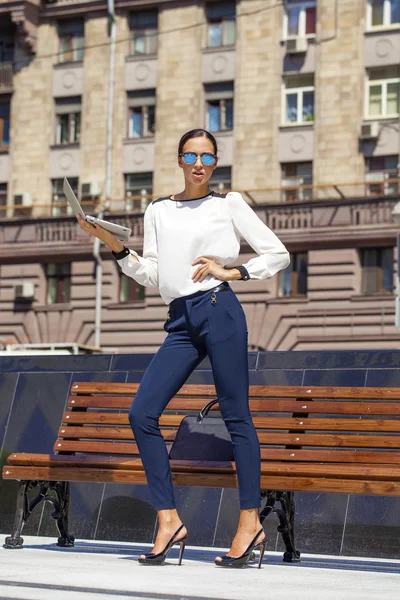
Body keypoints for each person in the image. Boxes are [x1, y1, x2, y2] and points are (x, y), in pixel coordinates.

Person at [78, 128, 290, 568]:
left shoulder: (227, 204)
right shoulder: (158, 209)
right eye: (191, 155)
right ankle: (168, 519)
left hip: (219, 309)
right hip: (180, 320)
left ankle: (250, 524)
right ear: (178, 160)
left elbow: (278, 254)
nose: (199, 164)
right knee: (142, 412)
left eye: (208, 157)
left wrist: (234, 272)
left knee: (237, 416)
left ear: (215, 163)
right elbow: (152, 274)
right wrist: (114, 244)